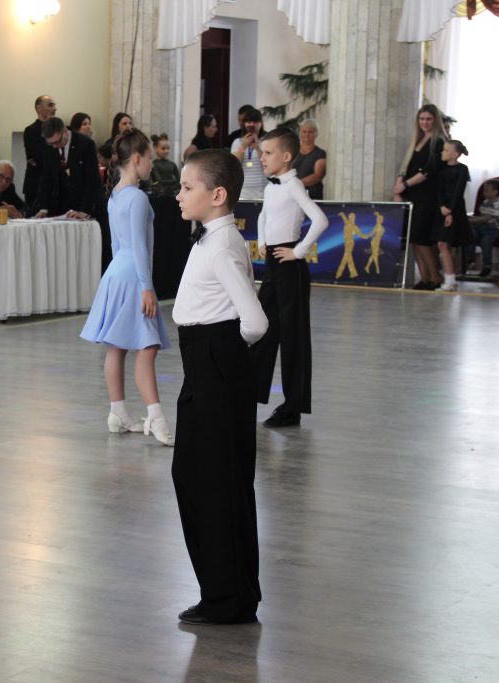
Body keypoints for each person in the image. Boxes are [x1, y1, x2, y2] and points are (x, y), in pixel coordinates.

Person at [171, 149, 268, 625]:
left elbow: (255, 322)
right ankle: (224, 590)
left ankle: (228, 598)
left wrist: (222, 353)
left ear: (218, 195)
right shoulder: (213, 238)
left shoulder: (224, 246)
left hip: (215, 363)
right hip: (203, 363)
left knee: (216, 482)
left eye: (187, 187)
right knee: (194, 476)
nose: (179, 194)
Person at [80, 130, 173, 446]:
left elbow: (118, 246)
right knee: (147, 347)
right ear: (136, 159)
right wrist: (147, 287)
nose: (151, 164)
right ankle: (156, 418)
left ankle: (118, 412)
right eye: (149, 158)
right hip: (133, 276)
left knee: (118, 346)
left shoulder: (116, 195)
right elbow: (139, 247)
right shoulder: (137, 197)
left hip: (116, 273)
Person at [251, 128, 328, 428]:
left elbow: (320, 219)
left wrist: (298, 251)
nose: (262, 157)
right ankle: (250, 391)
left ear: (286, 156)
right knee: (262, 328)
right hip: (273, 264)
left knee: (293, 337)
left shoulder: (294, 185)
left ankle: (292, 407)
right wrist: (261, 240)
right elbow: (263, 215)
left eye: (268, 153)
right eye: (262, 152)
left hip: (289, 267)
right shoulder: (272, 187)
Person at [393, 104, 446, 290]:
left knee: (422, 239)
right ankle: (424, 278)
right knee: (414, 239)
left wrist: (405, 185)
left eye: (429, 119)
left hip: (427, 196)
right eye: (422, 119)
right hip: (413, 195)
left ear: (435, 120)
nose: (425, 122)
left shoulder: (438, 142)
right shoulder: (418, 140)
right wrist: (398, 188)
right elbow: (406, 167)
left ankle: (435, 277)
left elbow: (428, 171)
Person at [34, 116, 102, 219]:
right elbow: (47, 178)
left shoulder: (85, 144)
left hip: (85, 205)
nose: (54, 146)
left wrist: (85, 210)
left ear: (65, 131)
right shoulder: (49, 147)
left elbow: (92, 179)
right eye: (51, 143)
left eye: (57, 142)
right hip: (63, 208)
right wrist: (44, 208)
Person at [434, 140, 471, 292]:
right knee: (442, 244)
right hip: (443, 209)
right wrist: (442, 206)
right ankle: (450, 279)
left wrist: (450, 211)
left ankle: (450, 280)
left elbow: (458, 191)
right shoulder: (442, 170)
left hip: (455, 209)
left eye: (446, 150)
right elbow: (439, 190)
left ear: (454, 154)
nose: (442, 152)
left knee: (443, 244)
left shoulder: (462, 169)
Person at [468, 179, 499, 278]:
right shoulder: (485, 202)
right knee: (471, 233)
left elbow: (487, 218)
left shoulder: (498, 204)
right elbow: (481, 215)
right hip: (481, 226)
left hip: (493, 228)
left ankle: (487, 266)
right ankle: (470, 258)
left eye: (486, 190)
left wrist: (472, 220)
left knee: (485, 241)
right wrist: (471, 218)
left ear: (495, 192)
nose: (483, 192)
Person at [23, 95, 57, 205]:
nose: (55, 108)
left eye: (54, 105)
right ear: (39, 108)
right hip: (37, 186)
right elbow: (40, 158)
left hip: (54, 185)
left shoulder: (58, 130)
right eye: (50, 105)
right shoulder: (31, 130)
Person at [231, 108, 267, 200]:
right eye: (249, 122)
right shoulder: (237, 142)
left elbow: (267, 163)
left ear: (260, 123)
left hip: (261, 190)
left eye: (255, 122)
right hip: (242, 190)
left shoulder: (266, 141)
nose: (252, 124)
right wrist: (243, 145)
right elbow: (234, 164)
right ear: (244, 124)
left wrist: (258, 148)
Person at [292, 119, 327, 200]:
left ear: (316, 134)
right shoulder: (293, 151)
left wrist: (296, 184)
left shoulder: (320, 153)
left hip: (312, 197)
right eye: (304, 131)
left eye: (310, 132)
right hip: (293, 195)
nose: (307, 135)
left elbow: (318, 176)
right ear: (300, 133)